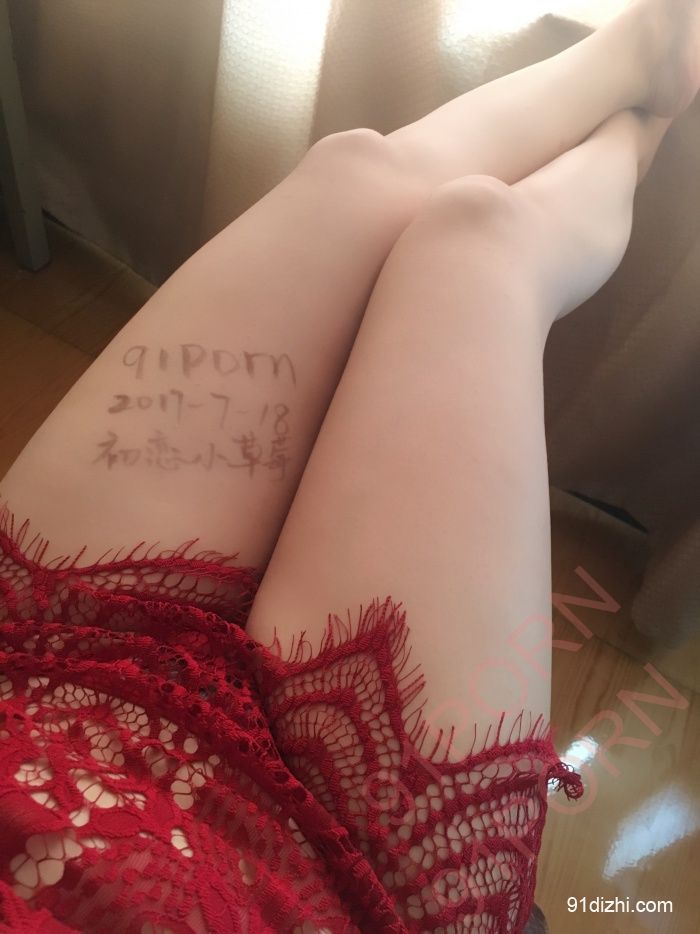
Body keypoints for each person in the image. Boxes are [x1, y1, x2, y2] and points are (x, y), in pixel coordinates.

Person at [0, 0, 698, 930]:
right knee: (481, 241)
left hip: (34, 681)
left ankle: (649, 53)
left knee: (354, 171)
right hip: (324, 880)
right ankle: (653, 116)